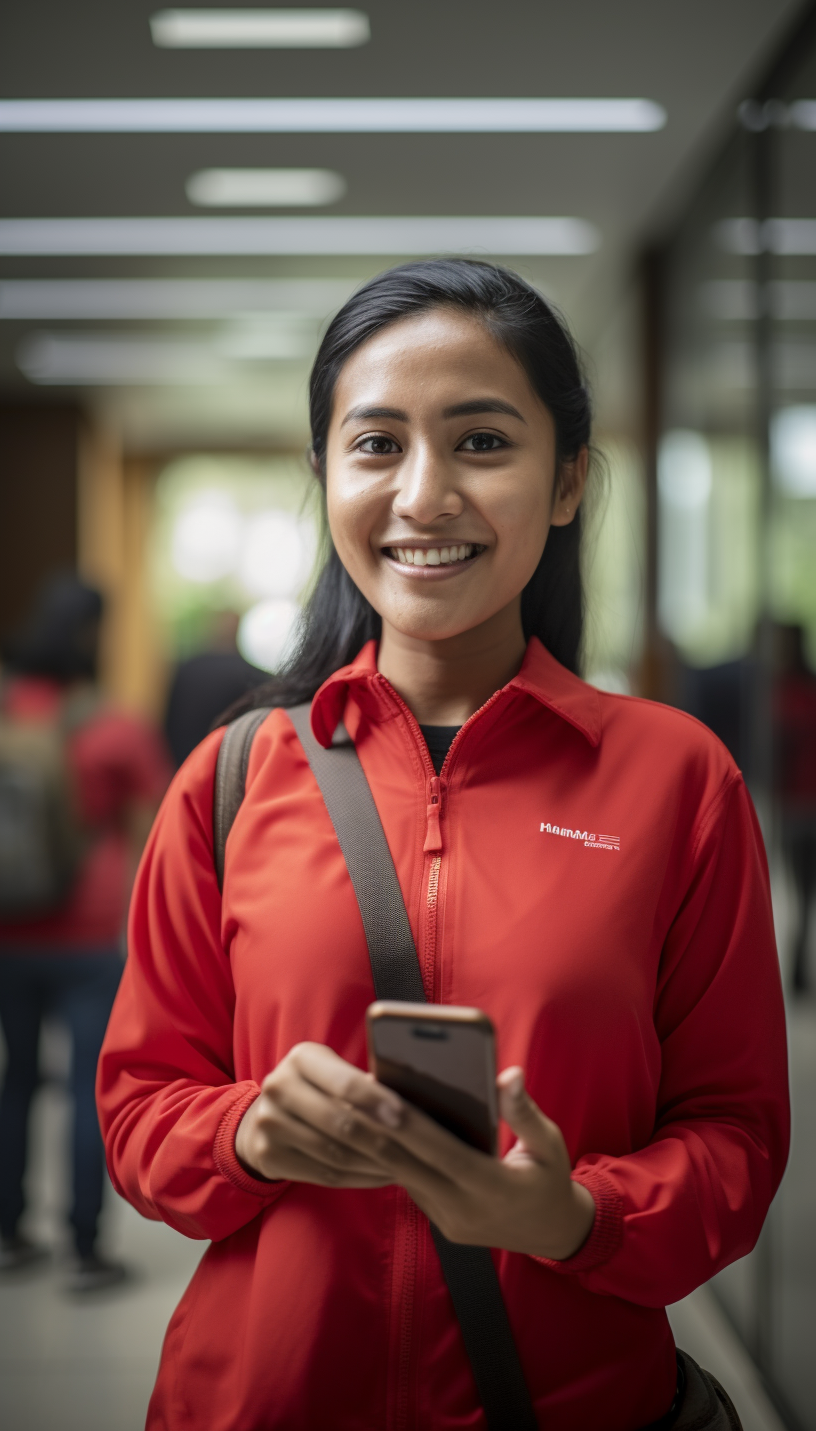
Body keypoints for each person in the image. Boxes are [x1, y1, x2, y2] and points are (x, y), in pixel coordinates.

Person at [98, 262, 788, 1429]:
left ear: (567, 480)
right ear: (326, 477)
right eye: (376, 445)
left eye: (481, 442)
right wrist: (246, 1134)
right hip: (260, 1399)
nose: (424, 495)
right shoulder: (230, 778)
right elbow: (138, 1112)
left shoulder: (678, 778)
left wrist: (573, 1215)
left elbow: (736, 1141)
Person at [0, 575, 171, 1289]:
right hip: (88, 930)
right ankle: (84, 1247)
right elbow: (153, 827)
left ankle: (10, 1232)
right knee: (84, 1086)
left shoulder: (9, 712)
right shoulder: (113, 725)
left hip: (10, 927)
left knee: (15, 1080)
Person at [163, 610, 267, 771]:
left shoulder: (187, 669)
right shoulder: (251, 674)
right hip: (228, 767)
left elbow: (169, 718)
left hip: (185, 761)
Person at [773, 623, 816, 994]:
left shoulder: (789, 693)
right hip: (793, 806)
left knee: (803, 893)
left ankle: (801, 969)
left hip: (803, 804)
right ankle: (799, 969)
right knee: (800, 893)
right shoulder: (779, 691)